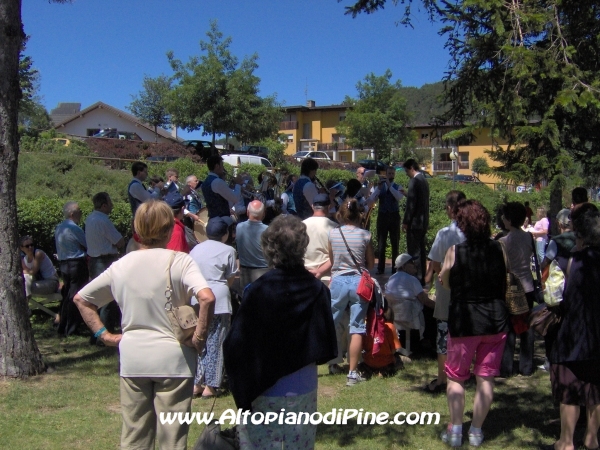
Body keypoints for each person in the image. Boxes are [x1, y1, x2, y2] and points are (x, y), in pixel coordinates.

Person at [74, 200, 215, 450]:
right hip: (175, 359)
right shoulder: (180, 261)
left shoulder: (121, 265)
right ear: (170, 228)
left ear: (137, 228)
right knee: (172, 439)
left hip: (134, 358)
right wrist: (199, 339)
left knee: (134, 436)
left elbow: (82, 299)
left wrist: (104, 335)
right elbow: (206, 297)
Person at [223, 215, 337, 449]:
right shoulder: (316, 289)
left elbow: (236, 344)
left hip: (263, 385)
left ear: (268, 248)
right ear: (302, 246)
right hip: (302, 385)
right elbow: (325, 344)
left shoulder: (256, 290)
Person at [439, 199, 509, 448]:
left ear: (463, 225)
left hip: (464, 321)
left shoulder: (455, 251)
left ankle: (456, 430)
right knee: (486, 379)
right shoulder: (500, 248)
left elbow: (446, 283)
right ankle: (477, 432)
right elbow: (505, 277)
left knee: (456, 378)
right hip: (495, 320)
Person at [544, 210, 600, 450]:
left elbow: (551, 298)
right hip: (598, 336)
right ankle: (592, 438)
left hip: (571, 334)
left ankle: (566, 441)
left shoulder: (567, 263)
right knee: (596, 388)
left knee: (569, 390)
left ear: (580, 235)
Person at [423, 190, 466, 393]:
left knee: (443, 334)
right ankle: (464, 371)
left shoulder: (444, 234)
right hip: (469, 292)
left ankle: (443, 376)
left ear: (450, 209)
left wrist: (434, 278)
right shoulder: (473, 231)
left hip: (447, 290)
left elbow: (435, 262)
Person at [328, 199, 375, 386]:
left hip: (338, 280)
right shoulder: (365, 235)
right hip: (358, 281)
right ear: (359, 214)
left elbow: (333, 260)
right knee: (356, 327)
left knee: (332, 322)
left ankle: (331, 362)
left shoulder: (333, 233)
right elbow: (370, 264)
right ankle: (352, 373)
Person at [189, 217, 237, 399]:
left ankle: (197, 383)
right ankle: (211, 385)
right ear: (224, 234)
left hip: (198, 297)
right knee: (217, 342)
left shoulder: (195, 249)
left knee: (199, 339)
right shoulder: (229, 250)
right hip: (219, 299)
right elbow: (230, 277)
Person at [303, 193, 346, 374]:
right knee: (332, 319)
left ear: (313, 206)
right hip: (327, 276)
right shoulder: (334, 228)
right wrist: (320, 271)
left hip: (305, 274)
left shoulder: (301, 225)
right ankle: (333, 361)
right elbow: (336, 256)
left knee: (306, 319)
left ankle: (306, 356)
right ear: (328, 208)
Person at [498, 202, 536, 377]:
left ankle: (506, 366)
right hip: (528, 285)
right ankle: (526, 366)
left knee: (509, 328)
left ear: (509, 220)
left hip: (511, 287)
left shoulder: (503, 241)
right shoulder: (529, 237)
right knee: (526, 327)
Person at [85, 192, 125, 342]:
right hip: (105, 260)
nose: (112, 205)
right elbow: (118, 241)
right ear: (103, 205)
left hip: (94, 260)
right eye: (110, 202)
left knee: (96, 298)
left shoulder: (90, 218)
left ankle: (95, 333)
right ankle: (104, 335)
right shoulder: (103, 220)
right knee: (107, 299)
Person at [385, 254, 435, 351]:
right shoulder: (411, 279)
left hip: (395, 316)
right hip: (409, 315)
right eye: (411, 263)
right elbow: (425, 300)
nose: (415, 264)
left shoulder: (392, 278)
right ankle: (429, 344)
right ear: (404, 266)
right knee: (432, 312)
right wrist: (440, 308)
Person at [55, 201, 88, 337]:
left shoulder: (59, 228)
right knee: (75, 296)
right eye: (80, 212)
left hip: (64, 264)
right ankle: (72, 328)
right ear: (73, 214)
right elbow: (87, 244)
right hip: (76, 264)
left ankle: (63, 326)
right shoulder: (75, 228)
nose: (81, 214)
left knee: (68, 294)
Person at [373, 166, 405, 275]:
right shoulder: (380, 187)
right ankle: (380, 268)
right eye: (389, 173)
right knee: (381, 242)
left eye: (392, 173)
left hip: (394, 216)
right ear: (385, 174)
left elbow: (398, 197)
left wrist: (389, 185)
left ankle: (394, 268)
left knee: (395, 242)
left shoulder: (397, 186)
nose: (391, 175)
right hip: (382, 216)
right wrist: (378, 188)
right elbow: (372, 199)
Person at [402, 158, 430, 284]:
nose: (406, 174)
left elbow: (411, 205)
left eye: (406, 171)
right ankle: (422, 276)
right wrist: (407, 194)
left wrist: (406, 221)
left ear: (411, 168)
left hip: (414, 223)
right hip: (423, 222)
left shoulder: (414, 181)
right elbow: (419, 200)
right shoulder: (423, 180)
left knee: (414, 251)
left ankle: (416, 278)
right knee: (422, 251)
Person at [360, 304, 405, 377]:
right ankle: (383, 371)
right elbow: (394, 350)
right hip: (386, 362)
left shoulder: (365, 328)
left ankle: (372, 371)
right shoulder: (389, 327)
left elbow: (362, 348)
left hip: (369, 362)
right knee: (398, 360)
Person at [201, 155, 244, 222]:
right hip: (222, 220)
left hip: (212, 219)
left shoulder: (206, 182)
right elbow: (235, 198)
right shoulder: (218, 182)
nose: (223, 168)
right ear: (217, 166)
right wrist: (238, 184)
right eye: (222, 165)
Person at [236, 200, 269, 289]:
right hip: (264, 271)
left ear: (247, 212)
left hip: (246, 271)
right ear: (263, 214)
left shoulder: (239, 227)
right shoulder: (268, 230)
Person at [20, 235, 59, 299]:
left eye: (31, 245)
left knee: (23, 287)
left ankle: (25, 305)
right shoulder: (25, 259)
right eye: (27, 246)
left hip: (52, 283)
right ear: (21, 248)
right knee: (23, 285)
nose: (30, 247)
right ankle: (26, 302)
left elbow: (33, 272)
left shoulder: (38, 254)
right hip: (40, 282)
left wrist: (23, 270)